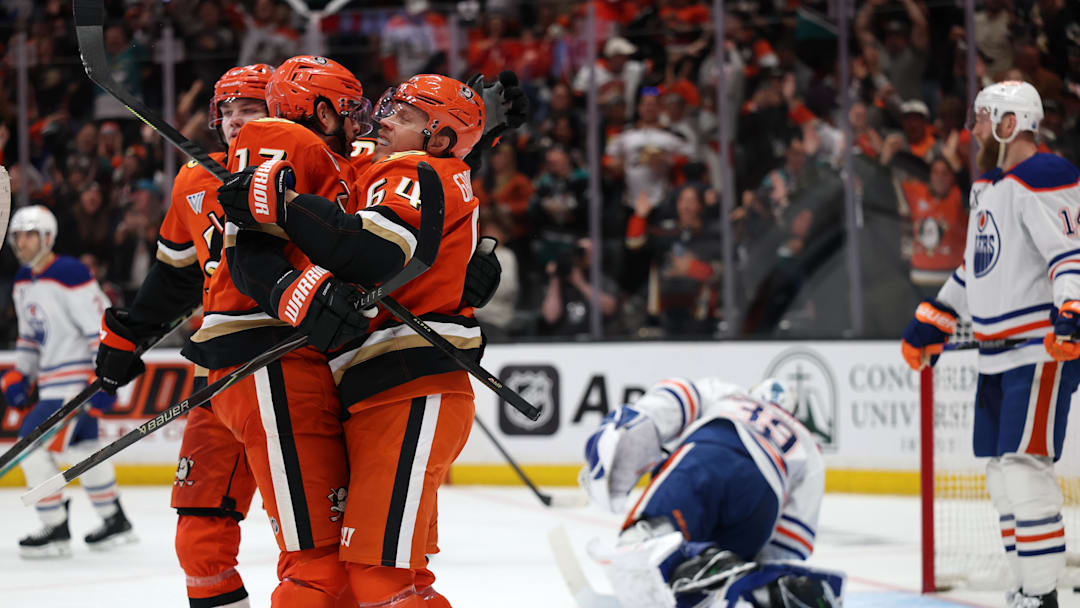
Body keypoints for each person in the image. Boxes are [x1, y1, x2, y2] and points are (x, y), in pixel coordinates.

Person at [217, 73, 493, 607]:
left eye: (405, 116)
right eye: (388, 107)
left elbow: (370, 249)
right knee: (380, 578)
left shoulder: (412, 169)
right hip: (381, 389)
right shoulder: (400, 163)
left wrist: (285, 199)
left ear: (437, 137)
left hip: (412, 383)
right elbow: (351, 166)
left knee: (380, 579)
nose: (384, 119)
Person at [94, 64, 272, 608]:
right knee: (199, 535)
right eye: (228, 110)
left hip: (291, 361)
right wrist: (130, 334)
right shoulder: (196, 179)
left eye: (252, 108)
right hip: (216, 368)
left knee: (311, 539)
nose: (236, 119)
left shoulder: (315, 168)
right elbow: (176, 276)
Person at [901, 81, 1080, 608]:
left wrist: (1071, 310)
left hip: (1038, 349)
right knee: (1004, 474)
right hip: (996, 353)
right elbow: (976, 268)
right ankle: (1023, 587)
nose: (972, 129)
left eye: (981, 118)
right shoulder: (989, 185)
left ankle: (1042, 595)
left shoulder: (1046, 176)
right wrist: (936, 316)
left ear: (1008, 123)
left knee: (1026, 471)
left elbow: (1070, 254)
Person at [578, 377, 832, 608]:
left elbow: (679, 396)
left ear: (756, 392)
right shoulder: (807, 444)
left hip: (709, 457)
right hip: (764, 501)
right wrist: (767, 575)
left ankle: (699, 561)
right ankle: (725, 571)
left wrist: (639, 418)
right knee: (719, 583)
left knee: (648, 538)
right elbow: (793, 538)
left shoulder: (733, 393)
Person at [2, 205, 134, 558]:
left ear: (47, 237)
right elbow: (31, 338)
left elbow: (100, 325)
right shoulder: (23, 281)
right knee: (81, 450)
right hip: (50, 382)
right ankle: (115, 519)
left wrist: (106, 378)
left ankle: (55, 527)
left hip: (75, 383)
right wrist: (20, 374)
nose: (22, 242)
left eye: (29, 235)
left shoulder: (69, 272)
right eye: (18, 235)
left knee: (29, 446)